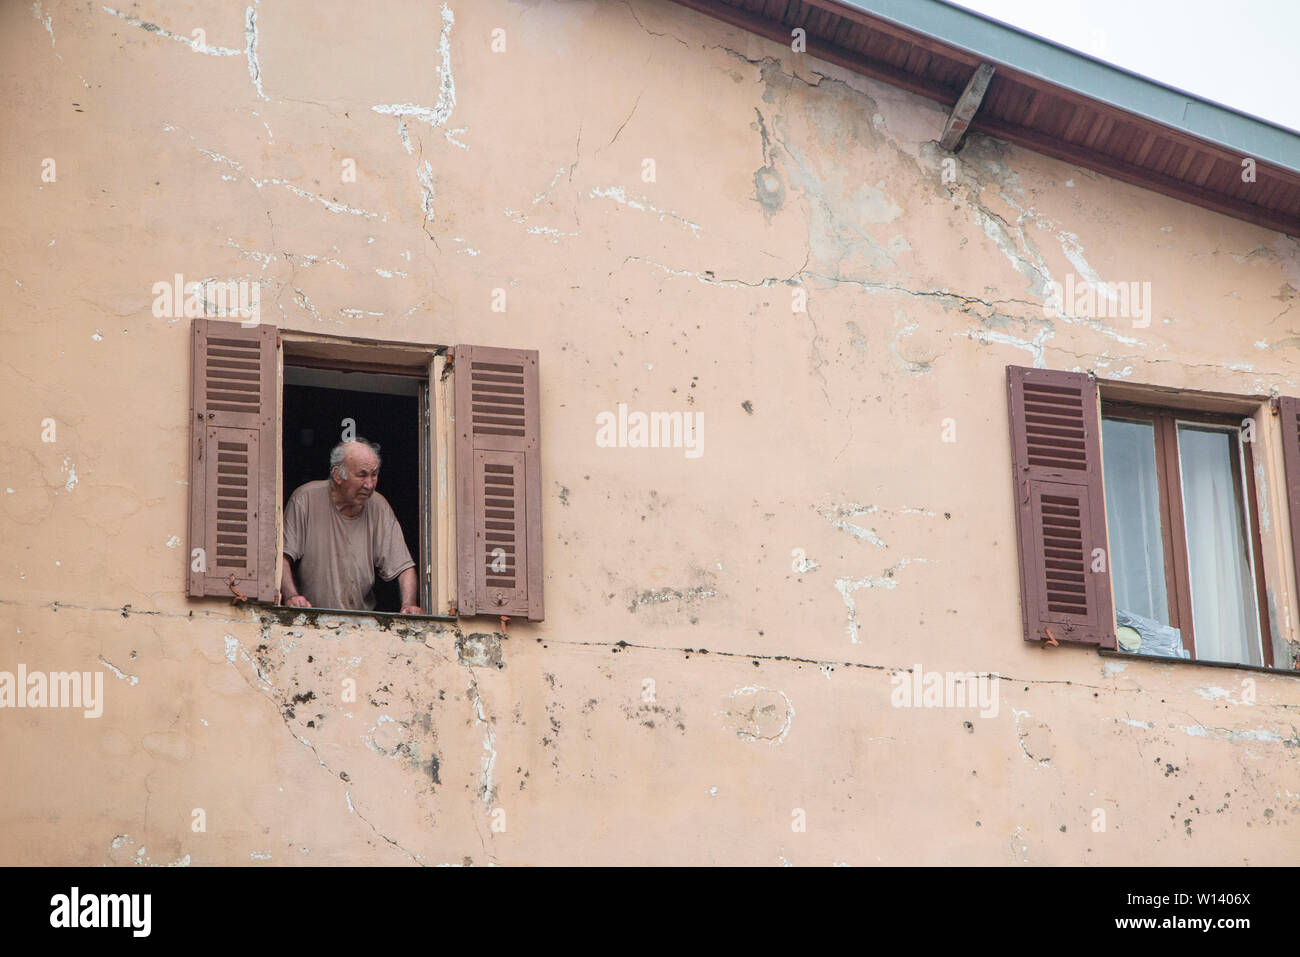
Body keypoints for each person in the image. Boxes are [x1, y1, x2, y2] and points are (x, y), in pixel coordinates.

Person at [280, 439, 420, 614]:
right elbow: (281, 557)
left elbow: (404, 568)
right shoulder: (305, 499)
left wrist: (408, 605)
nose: (370, 484)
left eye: (374, 474)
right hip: (309, 619)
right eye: (362, 475)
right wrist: (291, 596)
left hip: (362, 623)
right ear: (338, 475)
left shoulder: (378, 505)